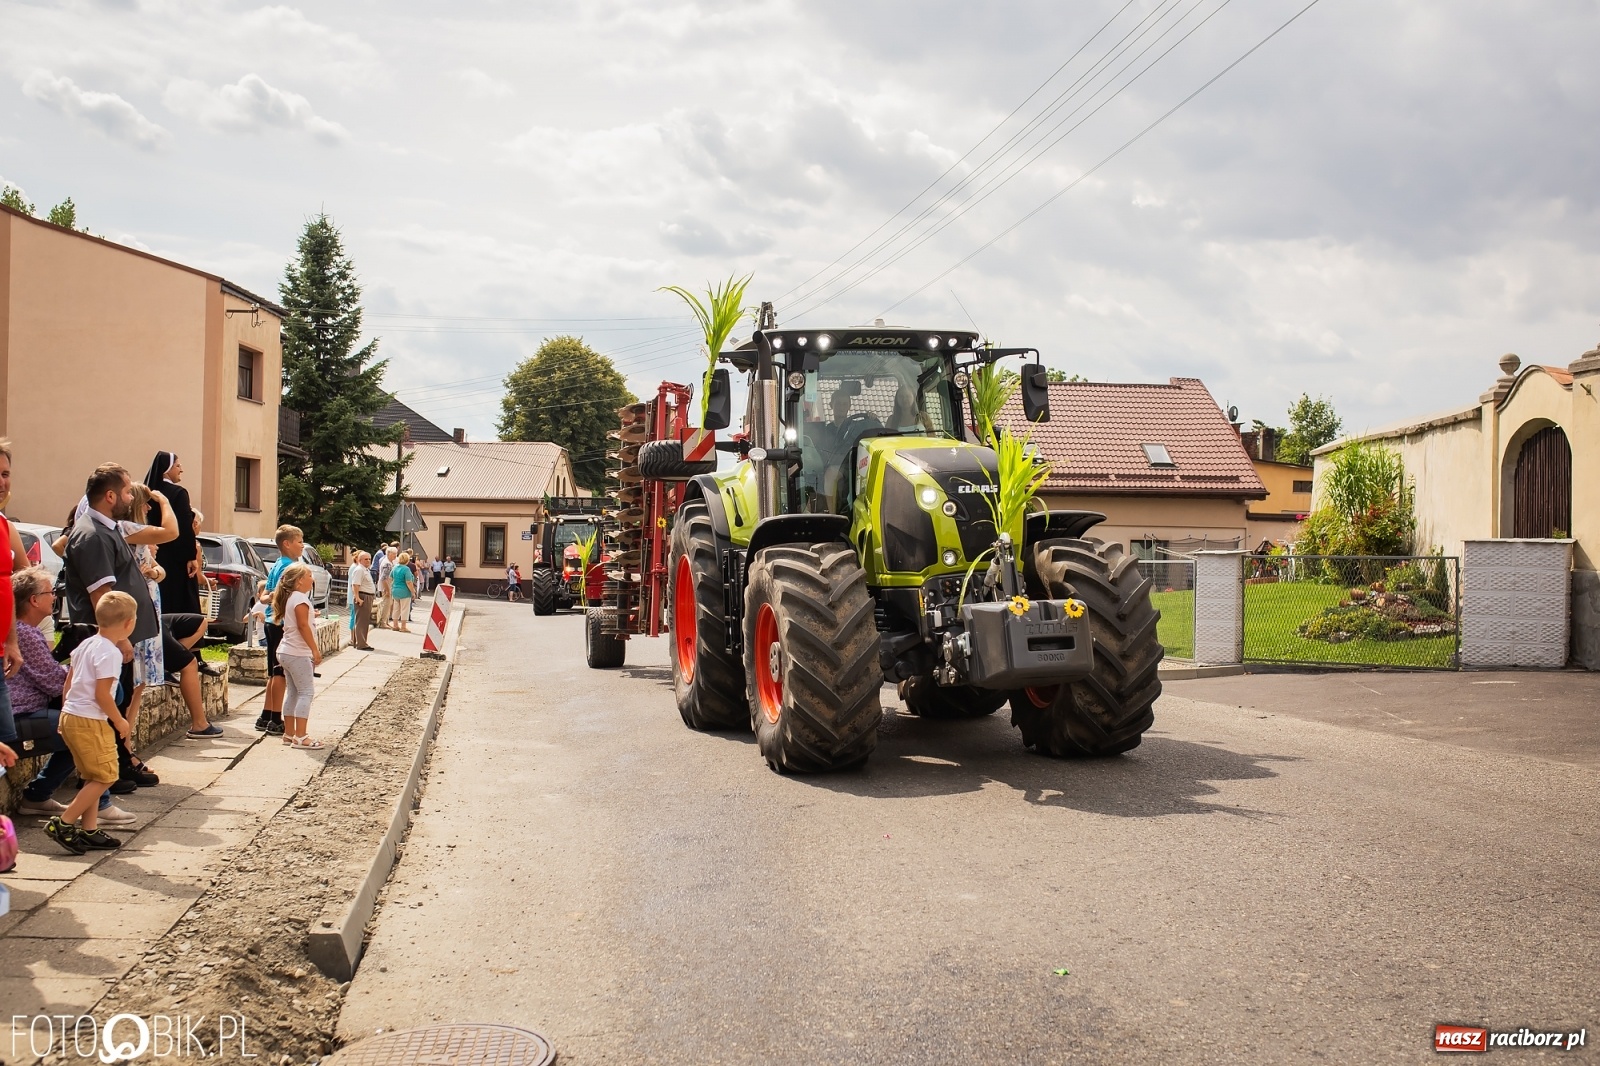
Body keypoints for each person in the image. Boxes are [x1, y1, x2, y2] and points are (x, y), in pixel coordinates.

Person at [63, 464, 219, 742]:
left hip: (123, 633)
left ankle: (122, 759)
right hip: (112, 636)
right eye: (127, 493)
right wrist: (119, 638)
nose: (132, 500)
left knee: (127, 692)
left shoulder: (111, 529)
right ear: (109, 496)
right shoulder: (97, 533)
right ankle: (114, 766)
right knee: (116, 696)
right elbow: (102, 593)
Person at [7, 568, 135, 825]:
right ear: (33, 600)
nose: (54, 597)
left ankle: (41, 796)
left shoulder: (24, 631)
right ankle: (98, 803)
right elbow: (55, 681)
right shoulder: (26, 634)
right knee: (87, 726)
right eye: (49, 592)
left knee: (84, 724)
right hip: (19, 716)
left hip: (28, 712)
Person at [44, 590, 140, 854]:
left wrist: (65, 712)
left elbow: (69, 681)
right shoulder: (110, 653)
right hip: (90, 719)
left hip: (74, 715)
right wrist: (120, 720)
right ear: (128, 624)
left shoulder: (86, 644)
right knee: (106, 775)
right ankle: (64, 823)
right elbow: (102, 695)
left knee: (92, 775)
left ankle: (88, 830)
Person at [256, 524, 306, 736]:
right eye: (300, 542)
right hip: (280, 623)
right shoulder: (289, 568)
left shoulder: (277, 564)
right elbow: (281, 596)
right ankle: (276, 719)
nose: (303, 546)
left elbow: (265, 595)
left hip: (270, 621)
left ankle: (266, 714)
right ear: (287, 544)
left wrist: (269, 599)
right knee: (280, 673)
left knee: (273, 672)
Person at [143, 452, 203, 616]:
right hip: (177, 560)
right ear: (166, 470)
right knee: (181, 607)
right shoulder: (178, 493)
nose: (181, 469)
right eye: (177, 465)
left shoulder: (147, 493)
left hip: (153, 555)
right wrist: (191, 556)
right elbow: (184, 527)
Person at [273, 563, 322, 749]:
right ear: (300, 580)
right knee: (306, 692)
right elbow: (303, 626)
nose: (313, 579)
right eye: (309, 575)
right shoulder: (300, 599)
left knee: (293, 692)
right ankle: (301, 737)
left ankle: (289, 734)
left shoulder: (293, 597)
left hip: (286, 651)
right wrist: (315, 650)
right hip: (297, 652)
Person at [348, 552, 375, 650]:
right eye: (365, 559)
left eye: (369, 559)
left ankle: (362, 642)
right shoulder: (359, 570)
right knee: (361, 621)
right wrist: (357, 598)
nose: (368, 561)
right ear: (360, 560)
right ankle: (361, 644)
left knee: (364, 621)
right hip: (363, 596)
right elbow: (355, 585)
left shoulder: (366, 570)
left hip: (367, 596)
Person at [388, 551, 415, 632]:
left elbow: (390, 578)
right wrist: (413, 592)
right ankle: (403, 627)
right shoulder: (406, 569)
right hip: (404, 591)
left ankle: (395, 625)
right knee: (404, 609)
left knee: (396, 608)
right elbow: (409, 582)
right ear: (407, 560)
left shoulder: (395, 567)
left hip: (395, 590)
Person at [374, 546, 397, 629]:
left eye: (396, 554)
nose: (395, 555)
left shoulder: (389, 562)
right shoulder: (387, 564)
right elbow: (384, 578)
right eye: (394, 554)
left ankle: (386, 622)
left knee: (389, 604)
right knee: (386, 604)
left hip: (388, 586)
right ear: (389, 554)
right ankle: (383, 622)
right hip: (386, 587)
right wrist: (387, 590)